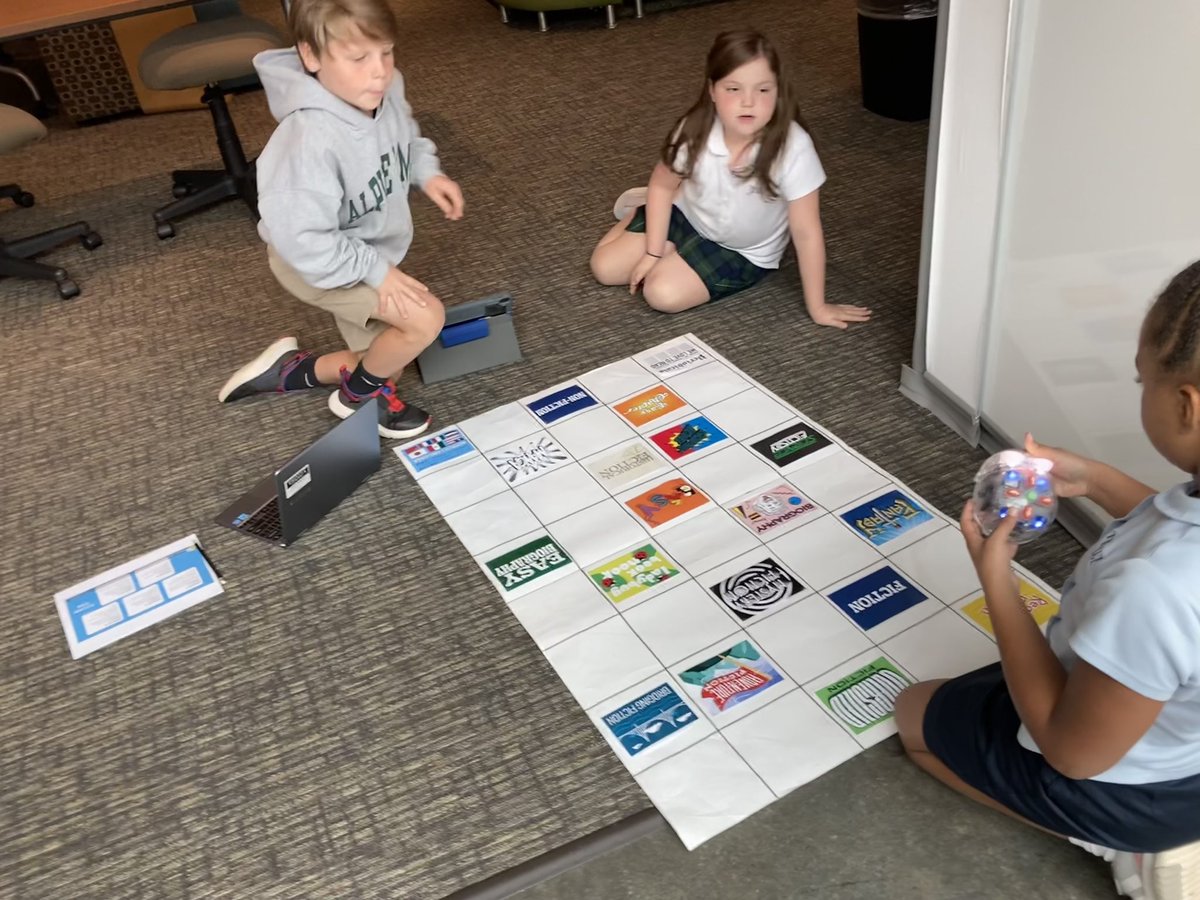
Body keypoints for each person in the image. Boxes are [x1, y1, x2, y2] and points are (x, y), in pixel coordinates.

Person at [895, 259, 1200, 900]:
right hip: (1182, 744)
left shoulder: (1157, 590)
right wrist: (1098, 481)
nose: (1138, 389)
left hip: (1135, 788)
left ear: (1187, 407)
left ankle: (1116, 845)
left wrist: (997, 581)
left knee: (916, 717)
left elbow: (1070, 752)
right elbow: (1171, 524)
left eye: (1142, 380)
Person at [217, 0, 464, 439]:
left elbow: (406, 135)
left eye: (386, 52)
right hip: (314, 259)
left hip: (363, 247)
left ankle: (290, 370)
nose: (379, 72)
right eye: (358, 58)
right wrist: (377, 272)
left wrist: (427, 173)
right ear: (310, 56)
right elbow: (306, 241)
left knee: (385, 360)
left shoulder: (384, 88)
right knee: (425, 319)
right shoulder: (307, 141)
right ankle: (355, 399)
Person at [589, 30, 870, 329]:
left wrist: (818, 306)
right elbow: (661, 185)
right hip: (686, 212)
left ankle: (669, 241)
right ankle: (651, 215)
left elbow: (806, 232)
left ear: (778, 92)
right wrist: (652, 251)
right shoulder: (694, 129)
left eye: (763, 90)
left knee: (661, 294)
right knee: (603, 268)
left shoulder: (793, 147)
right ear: (712, 90)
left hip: (740, 250)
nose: (748, 102)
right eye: (733, 89)